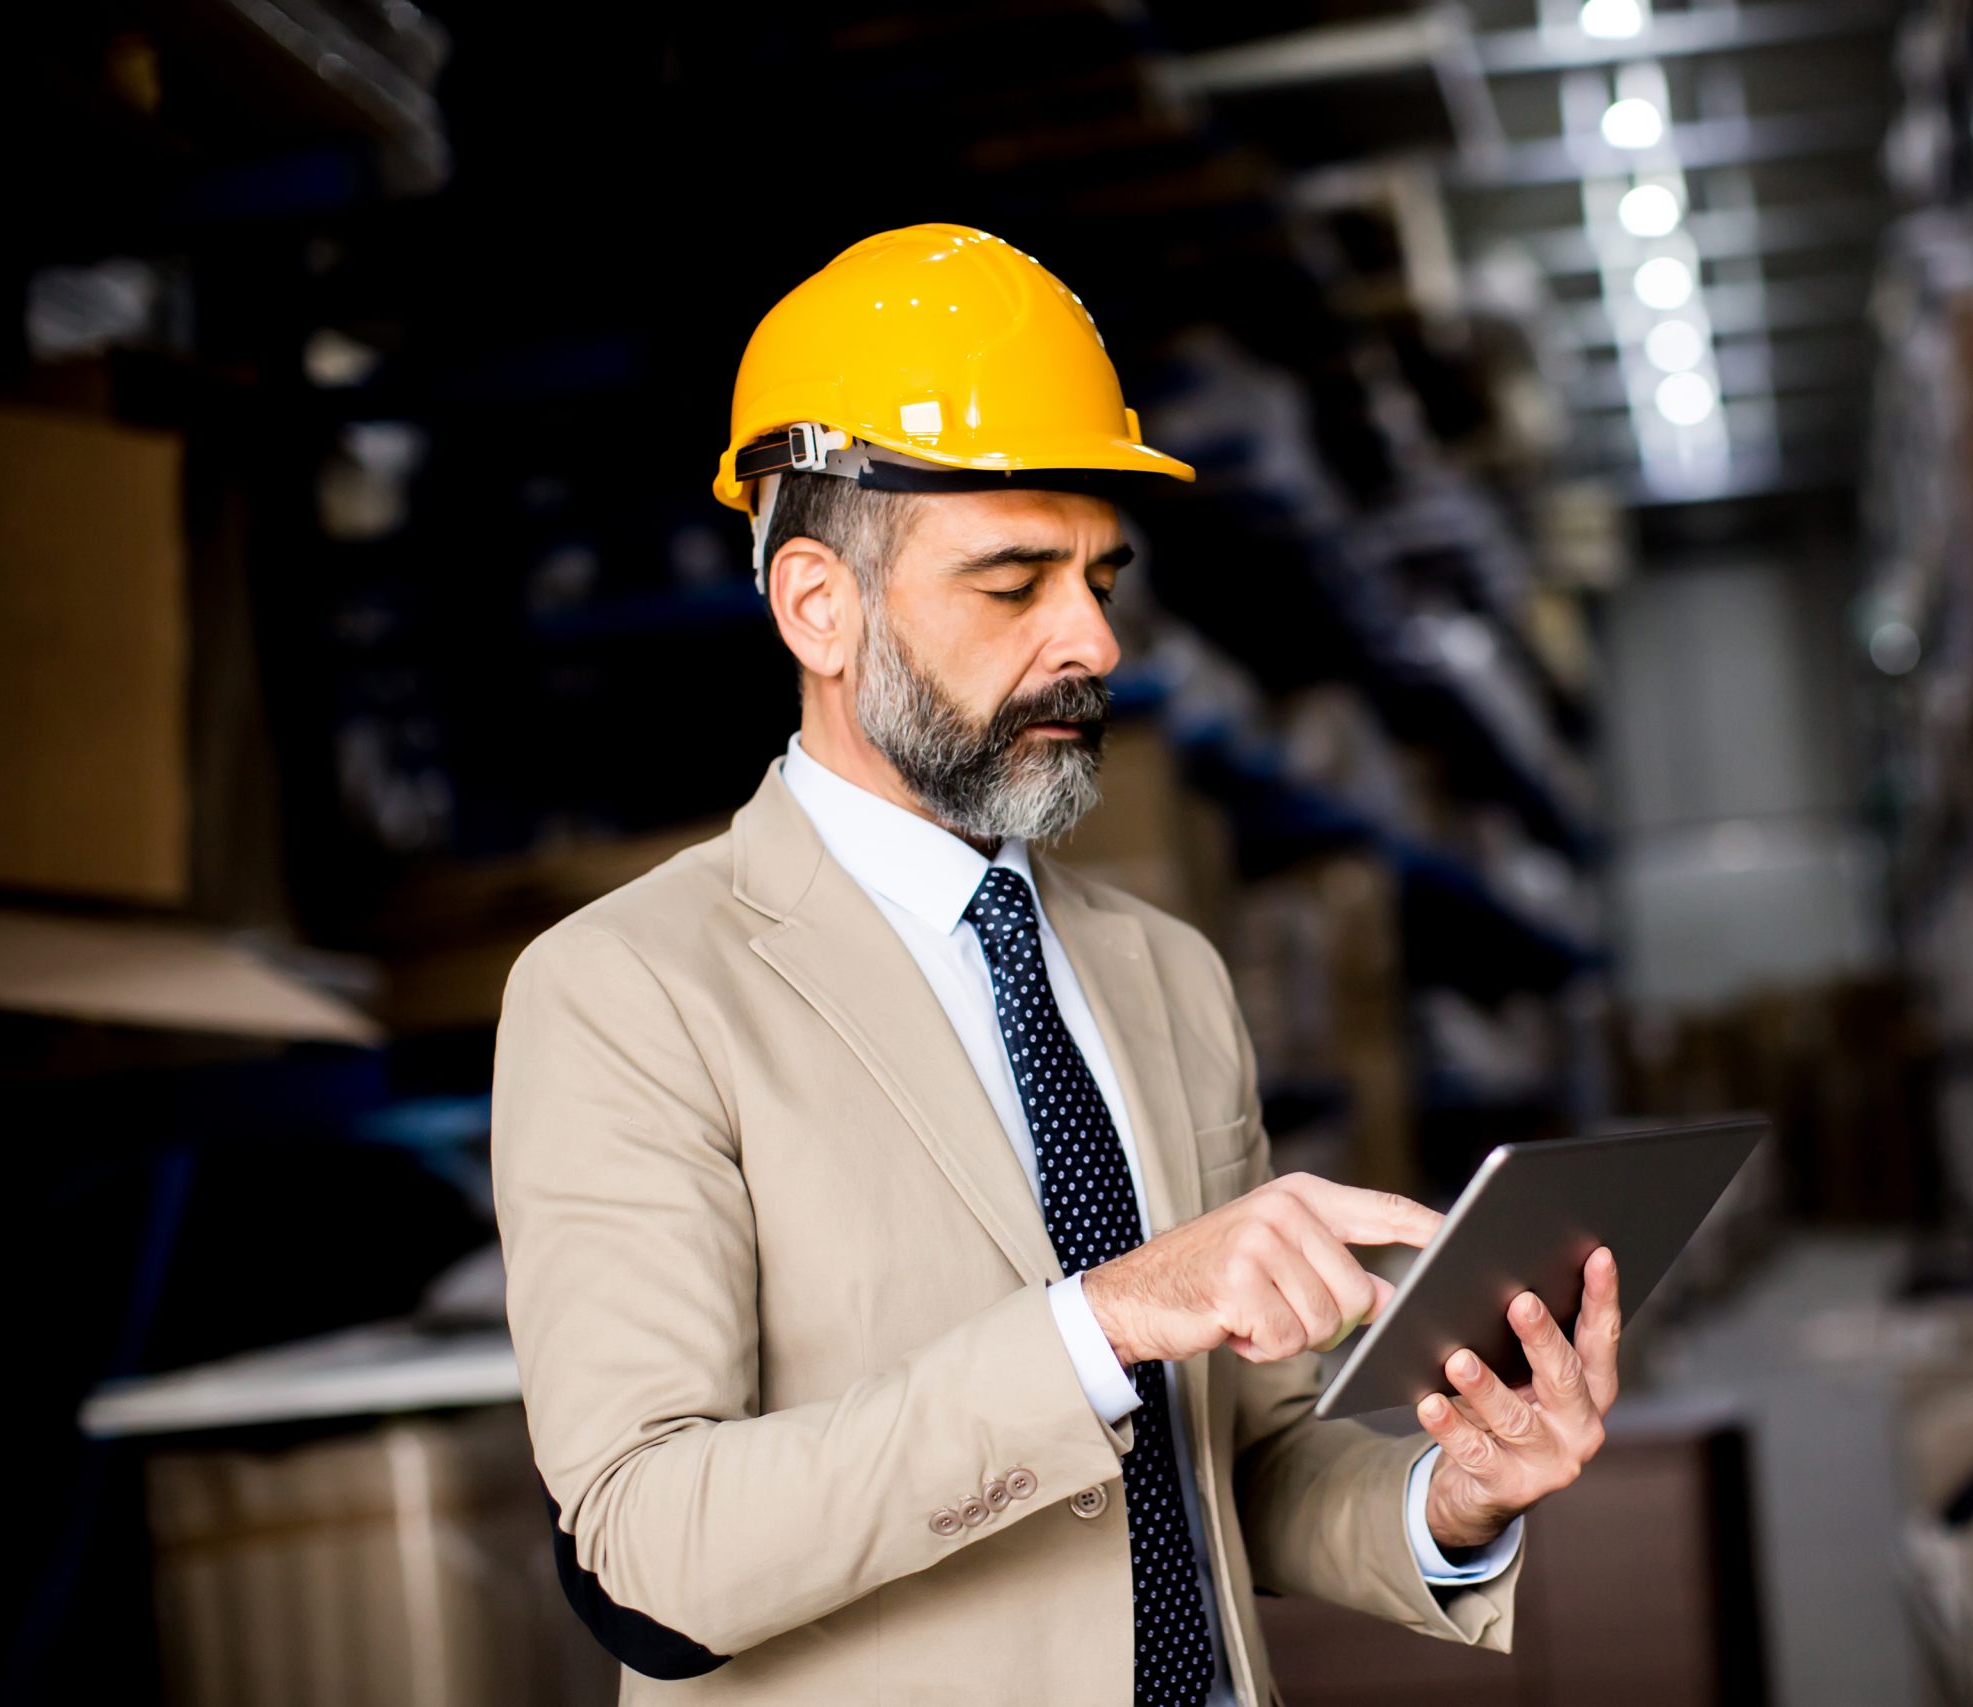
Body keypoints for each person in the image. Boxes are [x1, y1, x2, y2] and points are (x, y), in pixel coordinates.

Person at [493, 223, 1624, 1706]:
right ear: (817, 606)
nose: (1091, 636)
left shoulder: (1165, 975)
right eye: (1013, 582)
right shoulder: (626, 995)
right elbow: (653, 1553)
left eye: (1098, 575)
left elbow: (1240, 1465)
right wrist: (1100, 1325)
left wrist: (1450, 1503)